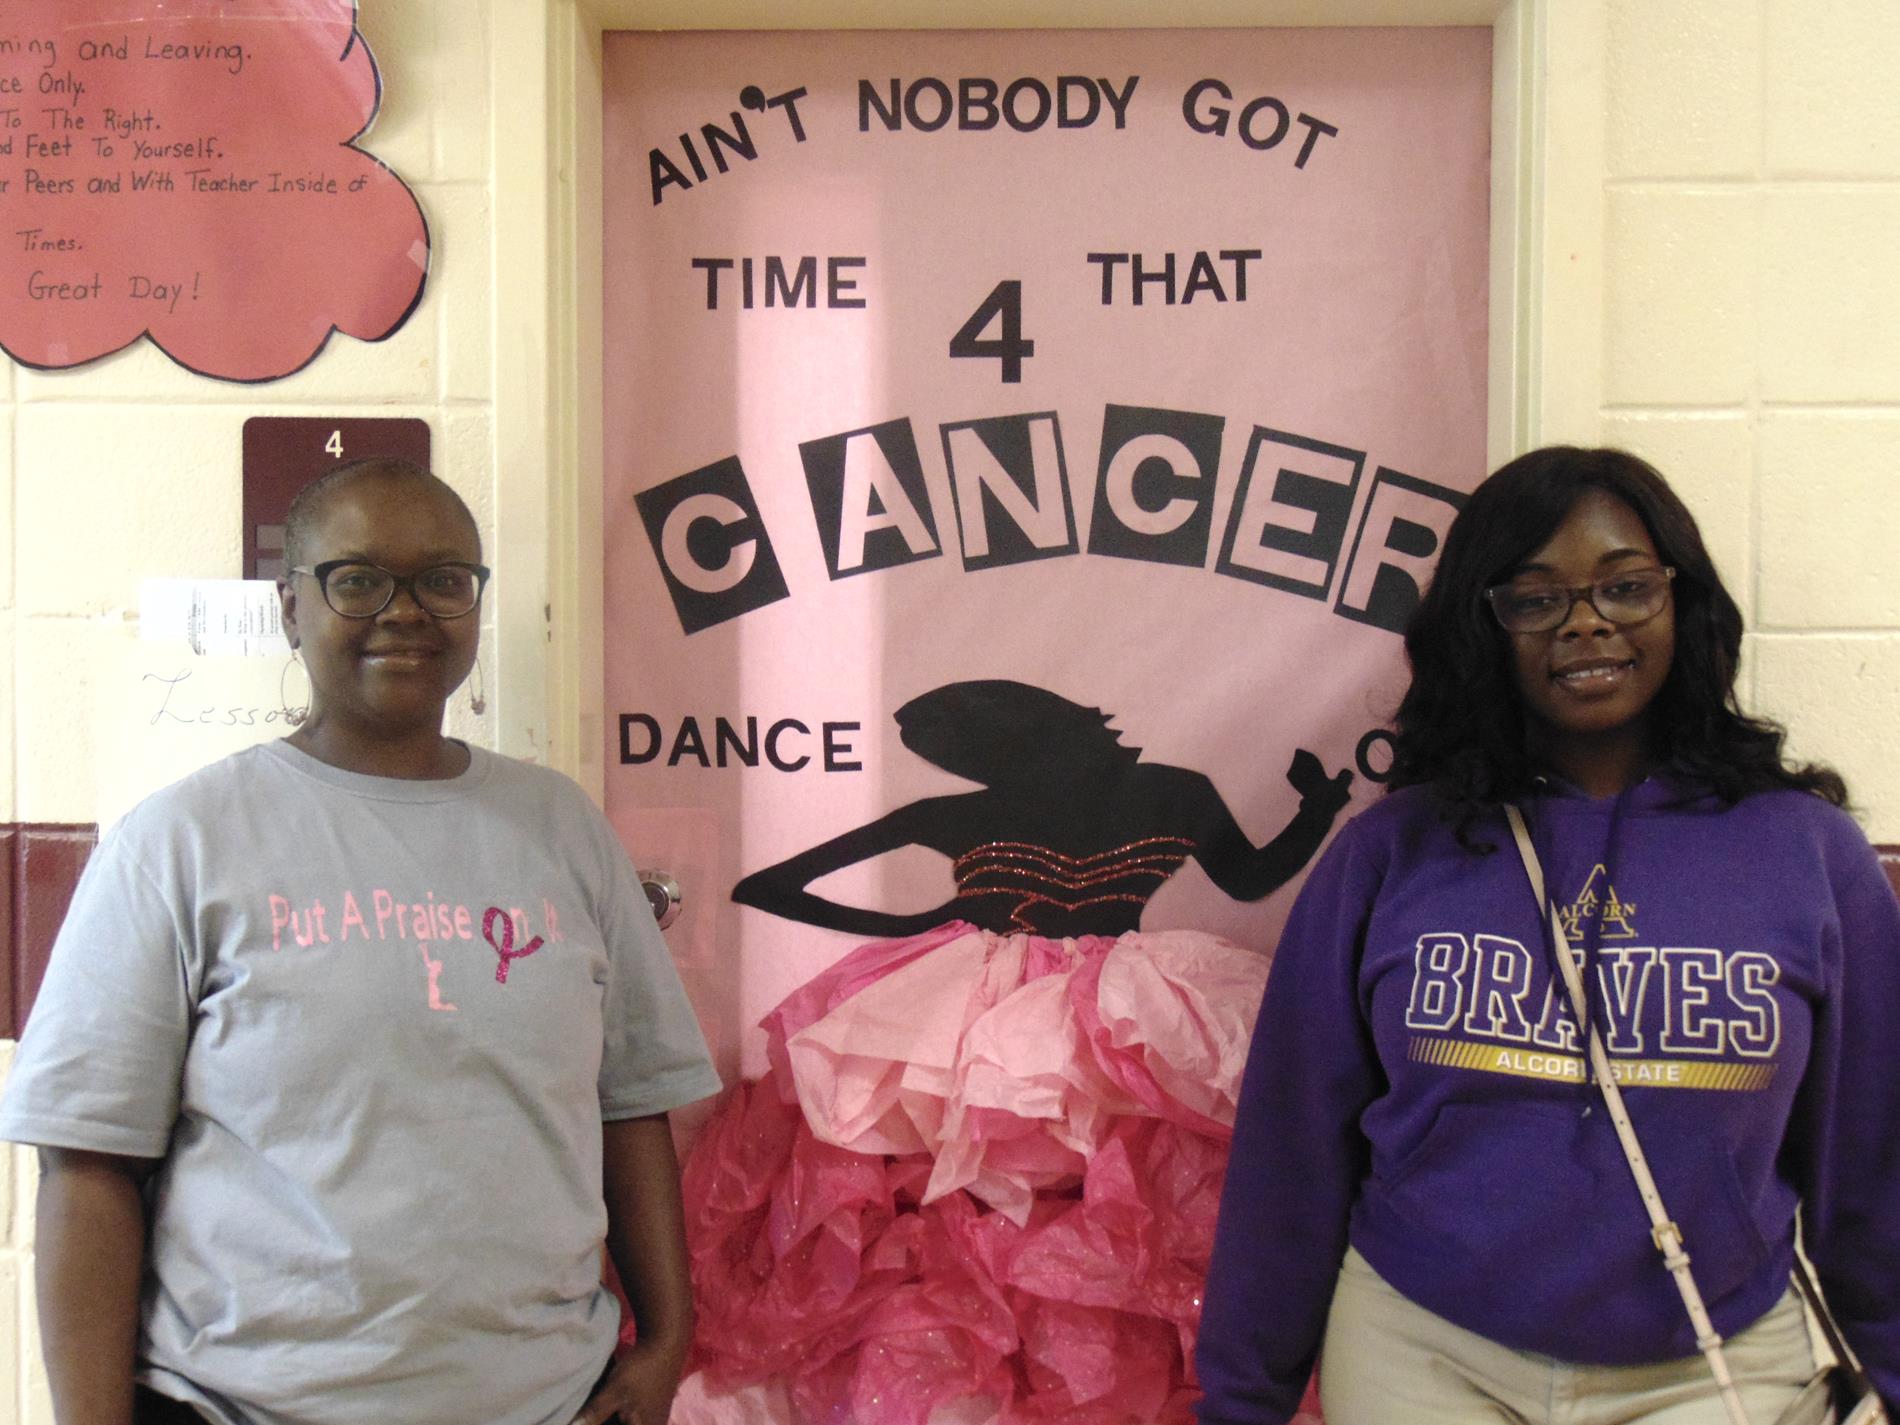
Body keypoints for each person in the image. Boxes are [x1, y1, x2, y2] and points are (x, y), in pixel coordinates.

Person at [0, 458, 721, 1425]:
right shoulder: (180, 841)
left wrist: (665, 1342)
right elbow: (86, 1165)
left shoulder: (561, 828)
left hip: (550, 1400)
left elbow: (629, 1107)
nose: (405, 609)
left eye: (444, 578)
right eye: (358, 578)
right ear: (292, 608)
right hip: (238, 1405)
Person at [1194, 446, 1900, 1425]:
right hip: (1423, 1353)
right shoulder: (1390, 855)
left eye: (1625, 586)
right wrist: (1240, 1402)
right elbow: (1291, 1160)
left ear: (1677, 601)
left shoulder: (1808, 855)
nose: (1585, 622)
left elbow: (1871, 1170)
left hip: (1709, 1360)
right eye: (1533, 598)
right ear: (1483, 627)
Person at [686, 679, 1355, 1424]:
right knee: (996, 1207)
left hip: (1063, 1012)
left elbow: (770, 883)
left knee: (1089, 1201)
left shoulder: (968, 812)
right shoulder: (1165, 791)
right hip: (1054, 1010)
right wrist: (1315, 810)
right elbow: (1254, 873)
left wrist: (932, 917)